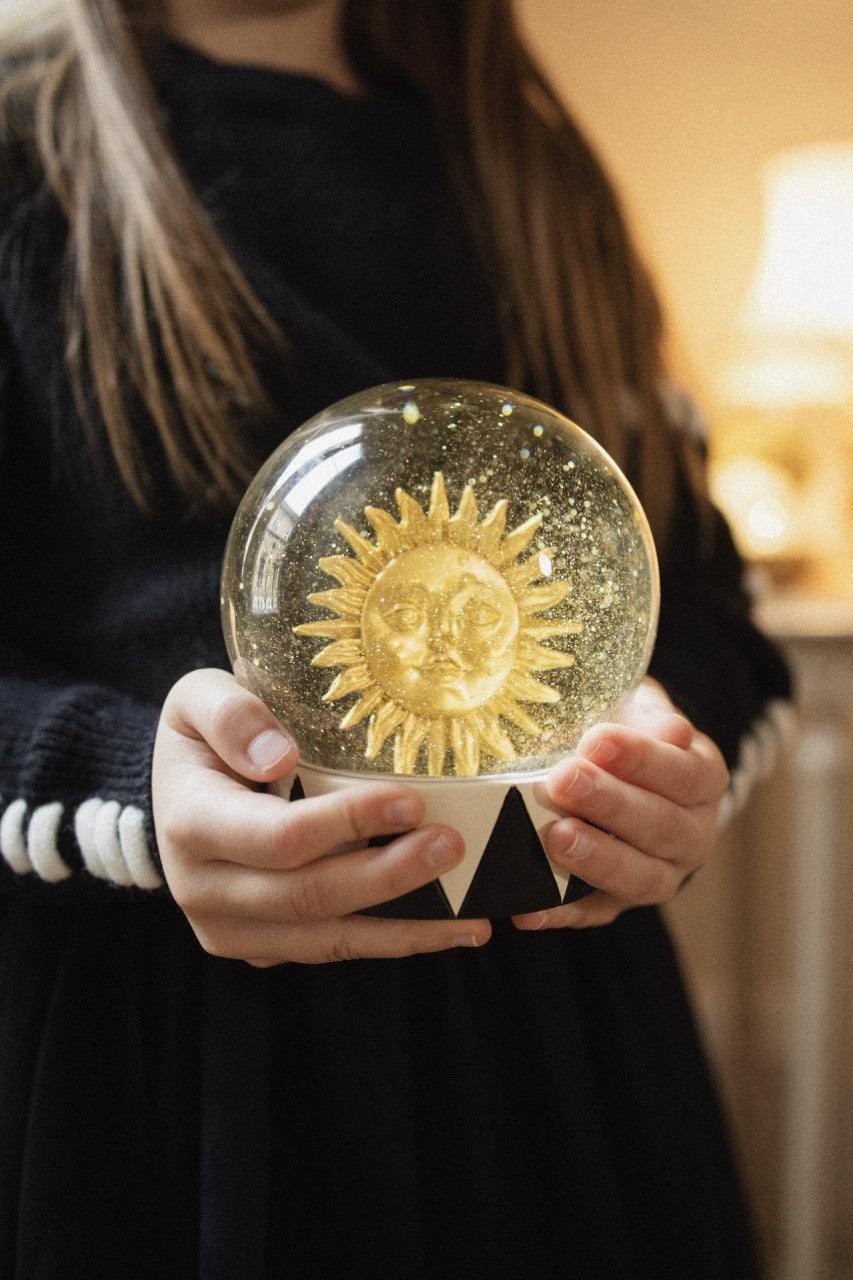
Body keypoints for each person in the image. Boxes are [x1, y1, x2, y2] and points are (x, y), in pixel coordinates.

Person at [0, 1, 791, 1277]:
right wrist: (117, 778)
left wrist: (667, 754)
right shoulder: (20, 158)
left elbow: (698, 599)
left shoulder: (538, 184)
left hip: (553, 1066)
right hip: (144, 1078)